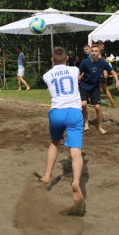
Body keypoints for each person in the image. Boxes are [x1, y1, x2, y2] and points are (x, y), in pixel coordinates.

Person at [37, 46, 85, 211]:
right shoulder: (74, 70)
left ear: (52, 60)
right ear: (67, 59)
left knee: (54, 143)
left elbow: (54, 71)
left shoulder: (46, 75)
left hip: (56, 112)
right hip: (74, 112)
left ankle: (47, 176)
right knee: (76, 151)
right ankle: (76, 182)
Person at [79, 44, 119, 134]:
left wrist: (117, 82)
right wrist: (77, 79)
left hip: (95, 87)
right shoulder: (85, 62)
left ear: (99, 52)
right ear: (90, 52)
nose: (94, 53)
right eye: (93, 51)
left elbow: (113, 72)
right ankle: (86, 123)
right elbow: (78, 72)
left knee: (97, 107)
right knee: (83, 104)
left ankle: (100, 127)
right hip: (84, 86)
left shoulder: (102, 63)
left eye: (96, 51)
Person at [97, 41, 116, 107]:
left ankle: (112, 103)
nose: (103, 48)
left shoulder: (99, 55)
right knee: (103, 89)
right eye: (102, 47)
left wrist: (105, 71)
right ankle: (112, 103)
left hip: (100, 74)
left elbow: (102, 65)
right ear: (99, 45)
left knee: (102, 88)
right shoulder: (98, 54)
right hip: (101, 73)